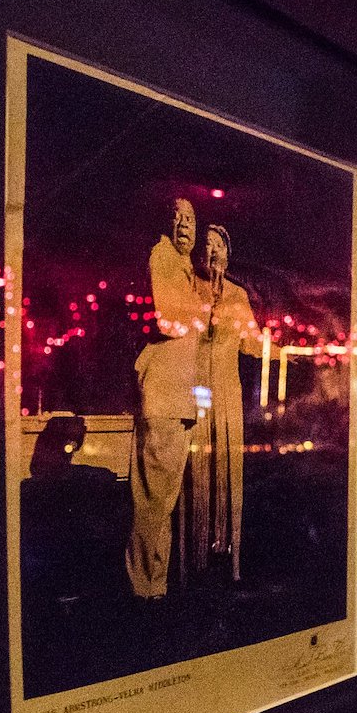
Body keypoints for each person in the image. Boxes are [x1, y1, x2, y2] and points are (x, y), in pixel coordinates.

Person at [125, 197, 209, 599]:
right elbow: (168, 319)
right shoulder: (162, 258)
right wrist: (202, 309)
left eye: (190, 218)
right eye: (176, 217)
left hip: (176, 399)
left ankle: (153, 588)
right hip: (164, 397)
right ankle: (143, 589)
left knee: (162, 499)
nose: (183, 224)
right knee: (155, 500)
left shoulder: (185, 269)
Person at [191, 223, 262, 580]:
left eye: (219, 244)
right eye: (207, 244)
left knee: (228, 467)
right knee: (198, 466)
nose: (213, 249)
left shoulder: (237, 296)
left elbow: (253, 343)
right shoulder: (191, 289)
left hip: (227, 389)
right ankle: (196, 557)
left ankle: (227, 555)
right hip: (197, 390)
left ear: (227, 252)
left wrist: (289, 352)